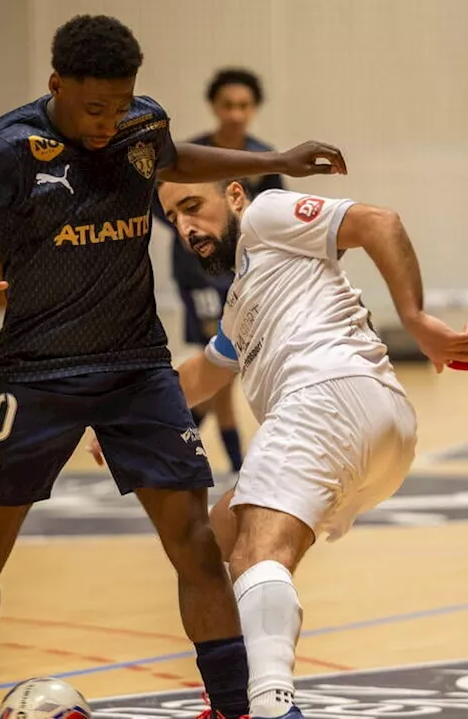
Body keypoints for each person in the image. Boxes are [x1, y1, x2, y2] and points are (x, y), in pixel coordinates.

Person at [0, 14, 346, 719]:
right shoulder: (6, 147)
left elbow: (177, 157)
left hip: (137, 369)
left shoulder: (142, 125)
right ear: (56, 84)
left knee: (195, 543)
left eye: (120, 104)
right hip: (35, 373)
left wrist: (279, 161)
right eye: (94, 107)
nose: (111, 121)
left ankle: (235, 709)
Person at [94, 179, 468, 719]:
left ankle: (271, 706)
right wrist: (120, 414)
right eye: (173, 219)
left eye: (192, 208)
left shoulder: (266, 215)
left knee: (259, 553)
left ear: (233, 196)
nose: (185, 228)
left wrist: (414, 321)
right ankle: (233, 699)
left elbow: (379, 222)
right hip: (380, 431)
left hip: (325, 396)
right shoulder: (243, 298)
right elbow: (202, 376)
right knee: (213, 538)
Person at [156, 68, 284, 474]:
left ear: (254, 110)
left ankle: (172, 446)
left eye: (244, 106)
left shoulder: (263, 158)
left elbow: (273, 216)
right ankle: (228, 462)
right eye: (228, 105)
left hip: (244, 273)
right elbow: (158, 203)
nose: (235, 113)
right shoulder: (190, 156)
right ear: (214, 107)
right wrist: (186, 227)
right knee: (222, 361)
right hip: (198, 273)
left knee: (228, 364)